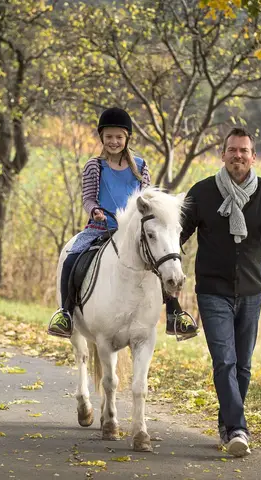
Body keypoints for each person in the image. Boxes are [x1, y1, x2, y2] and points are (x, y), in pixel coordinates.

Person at [181, 127, 261, 457]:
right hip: (212, 290)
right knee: (225, 361)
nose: (238, 155)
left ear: (253, 157)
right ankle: (238, 428)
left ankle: (227, 423)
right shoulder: (204, 192)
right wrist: (162, 261)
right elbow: (177, 230)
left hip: (251, 292)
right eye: (232, 150)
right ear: (222, 155)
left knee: (244, 366)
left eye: (244, 151)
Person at [48, 107, 199, 339]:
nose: (114, 141)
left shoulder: (140, 166)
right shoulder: (94, 166)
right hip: (100, 229)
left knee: (164, 261)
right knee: (71, 258)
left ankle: (174, 314)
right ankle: (65, 313)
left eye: (119, 136)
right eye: (109, 137)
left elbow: (146, 199)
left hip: (132, 233)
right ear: (102, 138)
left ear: (127, 137)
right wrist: (95, 210)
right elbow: (88, 198)